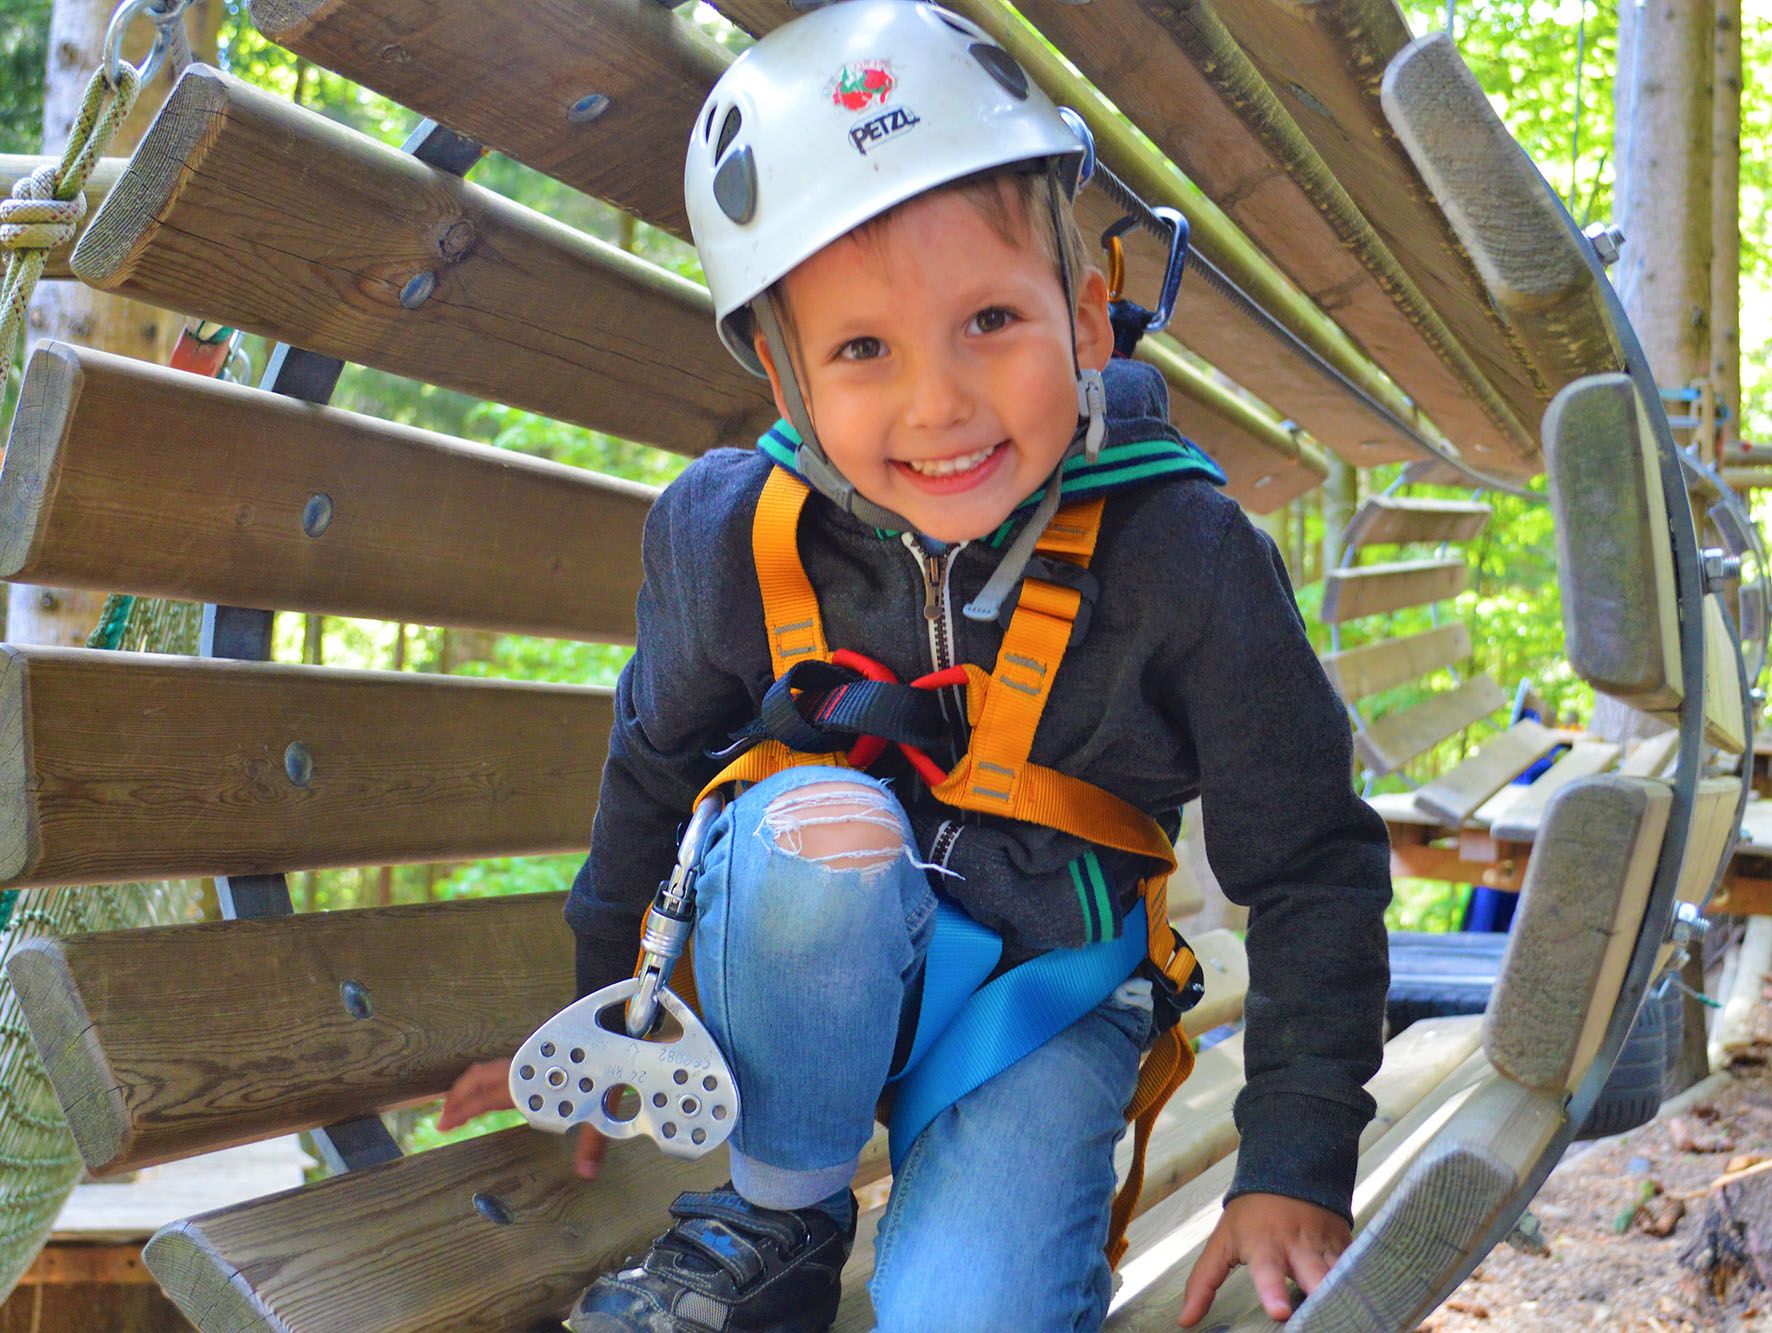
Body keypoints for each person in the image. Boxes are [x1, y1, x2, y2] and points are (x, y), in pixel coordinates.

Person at [440, 2, 1391, 1328]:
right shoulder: (731, 539)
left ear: (1093, 315)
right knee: (816, 821)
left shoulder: (1187, 554)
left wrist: (1293, 1157)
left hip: (1039, 997)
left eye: (992, 318)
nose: (940, 404)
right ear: (785, 377)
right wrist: (609, 1003)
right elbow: (655, 769)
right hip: (802, 977)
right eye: (863, 349)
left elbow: (1313, 862)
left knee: (970, 1312)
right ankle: (778, 1216)